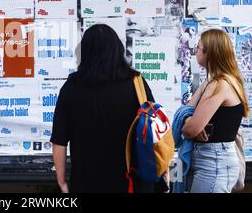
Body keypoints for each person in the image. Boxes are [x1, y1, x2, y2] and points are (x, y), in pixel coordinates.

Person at [50, 24, 160, 193]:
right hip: (133, 183)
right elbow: (155, 132)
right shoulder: (137, 84)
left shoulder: (71, 88)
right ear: (118, 49)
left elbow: (59, 141)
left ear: (84, 52)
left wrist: (62, 182)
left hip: (87, 182)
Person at [182, 28, 249, 193]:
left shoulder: (219, 84)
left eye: (198, 48)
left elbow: (189, 130)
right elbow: (186, 111)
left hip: (213, 163)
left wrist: (191, 123)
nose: (195, 51)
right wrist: (189, 120)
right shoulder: (216, 81)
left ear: (208, 53)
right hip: (212, 161)